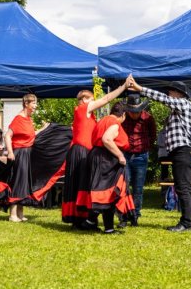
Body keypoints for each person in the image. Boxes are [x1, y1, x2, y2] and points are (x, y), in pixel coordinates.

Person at [128, 77, 191, 233]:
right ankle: (186, 221)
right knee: (183, 186)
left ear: (179, 94)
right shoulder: (180, 109)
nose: (169, 93)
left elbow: (162, 98)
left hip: (183, 150)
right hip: (181, 150)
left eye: (171, 91)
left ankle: (186, 223)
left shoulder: (183, 103)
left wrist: (140, 88)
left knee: (184, 187)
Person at [62, 79, 128, 228]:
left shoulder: (87, 115)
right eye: (92, 99)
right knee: (81, 184)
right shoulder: (83, 109)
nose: (95, 102)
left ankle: (82, 219)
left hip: (82, 150)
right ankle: (80, 219)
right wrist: (122, 87)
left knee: (81, 184)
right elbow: (105, 99)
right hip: (81, 151)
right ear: (84, 100)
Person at [3, 93, 72, 222]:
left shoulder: (28, 119)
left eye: (36, 103)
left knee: (24, 182)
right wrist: (10, 152)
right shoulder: (18, 119)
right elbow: (7, 136)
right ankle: (12, 215)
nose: (35, 106)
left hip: (28, 153)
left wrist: (43, 129)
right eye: (33, 103)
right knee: (18, 182)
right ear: (26, 104)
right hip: (20, 153)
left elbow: (31, 136)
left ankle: (20, 213)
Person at [83, 102, 135, 234]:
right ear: (123, 115)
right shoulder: (114, 123)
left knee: (103, 192)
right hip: (106, 159)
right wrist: (120, 156)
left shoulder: (103, 120)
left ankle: (101, 225)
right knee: (108, 192)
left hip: (97, 156)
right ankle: (94, 222)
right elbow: (107, 139)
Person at [119, 92, 156, 227]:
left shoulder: (148, 118)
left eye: (137, 111)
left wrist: (145, 147)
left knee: (138, 188)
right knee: (124, 186)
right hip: (125, 155)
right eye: (132, 112)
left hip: (141, 155)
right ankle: (123, 216)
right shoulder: (122, 119)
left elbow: (153, 136)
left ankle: (135, 215)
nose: (134, 114)